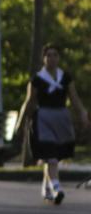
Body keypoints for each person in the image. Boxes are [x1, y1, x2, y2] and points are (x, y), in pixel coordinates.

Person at [20, 45, 88, 205]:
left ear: (59, 58)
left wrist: (83, 116)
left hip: (61, 118)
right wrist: (21, 122)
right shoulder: (37, 79)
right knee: (50, 155)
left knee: (54, 157)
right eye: (48, 55)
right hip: (43, 118)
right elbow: (29, 101)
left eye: (55, 55)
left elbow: (74, 99)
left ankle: (47, 188)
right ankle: (57, 189)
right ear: (44, 58)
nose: (52, 58)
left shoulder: (65, 78)